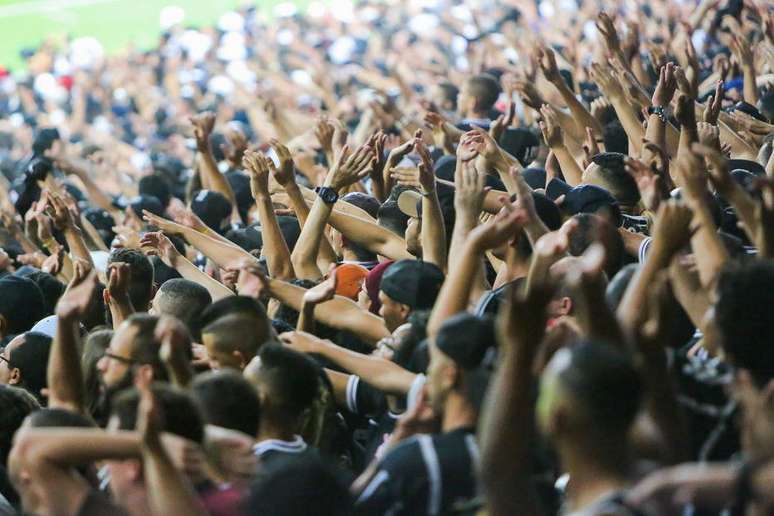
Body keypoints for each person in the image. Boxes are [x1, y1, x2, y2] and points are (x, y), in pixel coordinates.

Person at [355, 313, 493, 515]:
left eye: (432, 365)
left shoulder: (419, 459)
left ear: (449, 375)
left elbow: (350, 508)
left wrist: (391, 450)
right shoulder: (520, 455)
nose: (427, 373)